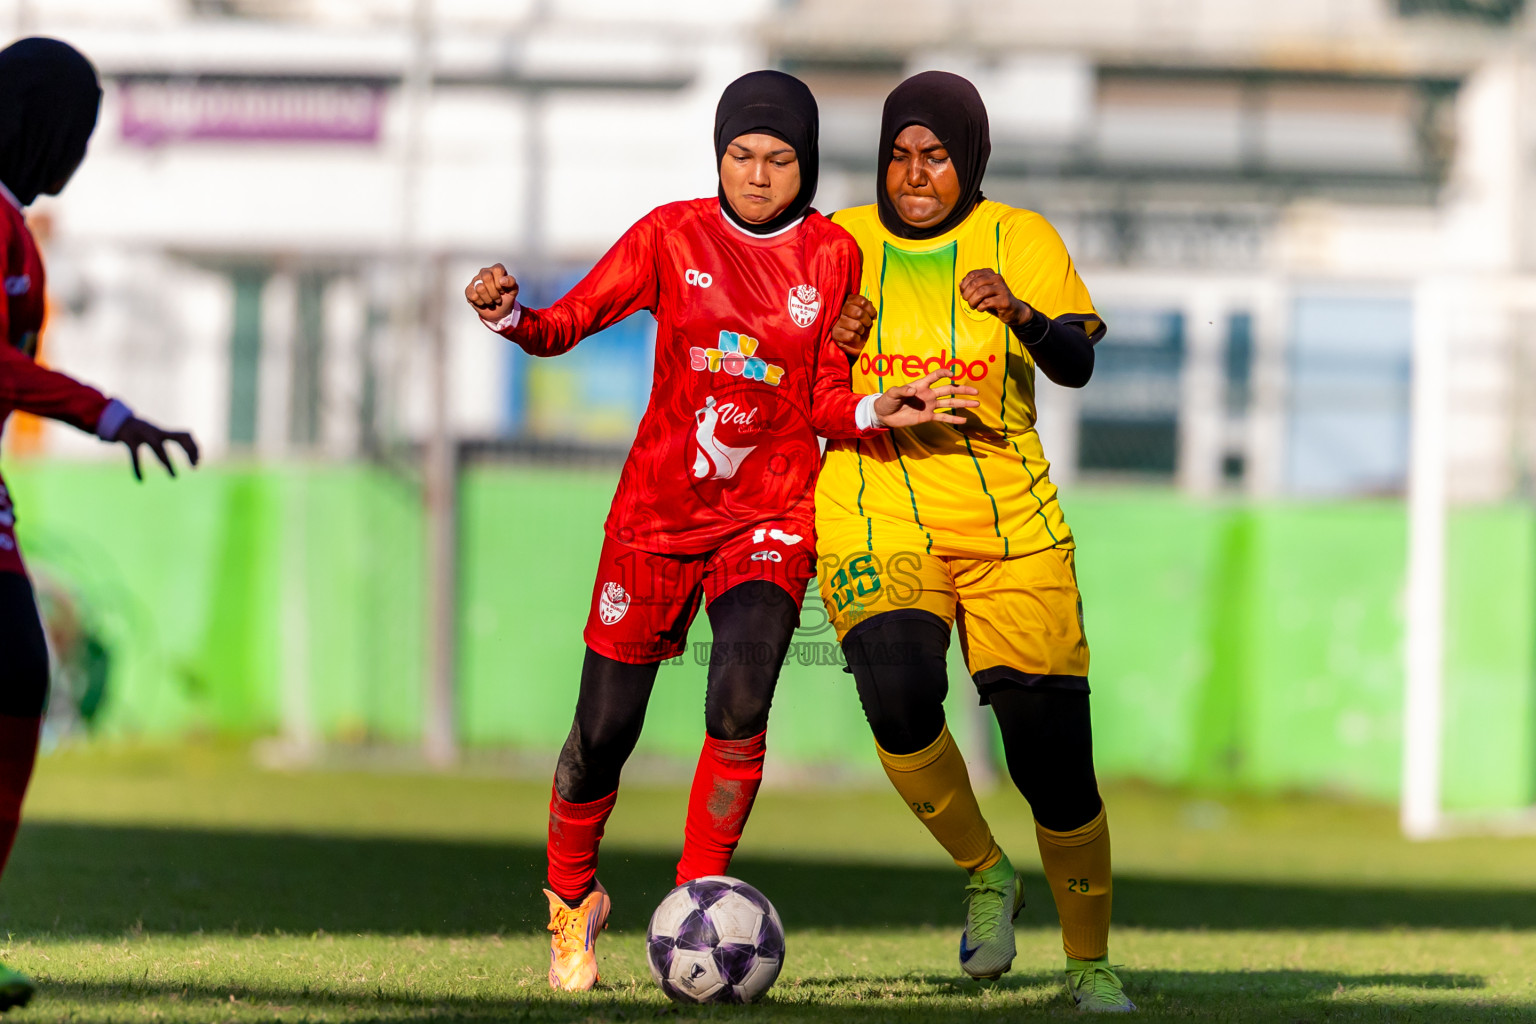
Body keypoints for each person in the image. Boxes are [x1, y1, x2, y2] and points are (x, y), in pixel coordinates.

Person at [464, 70, 977, 993]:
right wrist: (511, 314)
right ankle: (570, 901)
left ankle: (697, 894)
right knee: (602, 735)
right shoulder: (672, 234)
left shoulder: (832, 257)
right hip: (654, 521)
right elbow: (568, 322)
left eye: (780, 159)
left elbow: (820, 397)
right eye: (741, 154)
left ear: (807, 166)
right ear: (719, 156)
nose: (757, 174)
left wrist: (873, 405)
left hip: (771, 518)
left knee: (738, 704)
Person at [817, 71, 1133, 1012]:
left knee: (1050, 762)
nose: (915, 174)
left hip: (1011, 526)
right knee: (900, 689)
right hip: (877, 502)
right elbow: (791, 374)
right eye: (899, 156)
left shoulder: (1021, 239)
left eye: (937, 157)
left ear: (971, 161)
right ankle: (986, 871)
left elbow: (1076, 365)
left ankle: (1088, 964)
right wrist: (833, 339)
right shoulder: (839, 242)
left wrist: (1023, 316)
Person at [0, 36, 199, 1011]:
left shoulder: (12, 223)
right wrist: (106, 411)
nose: (74, 159)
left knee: (18, 676)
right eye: (72, 133)